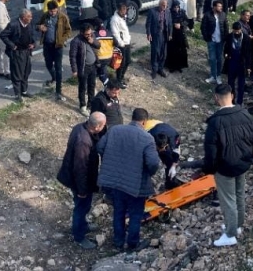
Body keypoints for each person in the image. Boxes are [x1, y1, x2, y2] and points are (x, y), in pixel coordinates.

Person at [201, 84, 253, 247]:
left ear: (216, 98)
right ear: (232, 96)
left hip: (224, 167)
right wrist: (250, 155)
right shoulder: (245, 114)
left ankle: (230, 234)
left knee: (228, 200)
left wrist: (210, 169)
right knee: (239, 195)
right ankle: (238, 225)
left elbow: (211, 151)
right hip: (242, 163)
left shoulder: (215, 122)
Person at [97, 108, 161, 252]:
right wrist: (149, 173)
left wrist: (111, 163)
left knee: (118, 212)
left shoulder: (115, 130)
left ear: (132, 118)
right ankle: (133, 244)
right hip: (135, 185)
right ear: (144, 122)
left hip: (114, 182)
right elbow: (153, 163)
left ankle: (118, 242)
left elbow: (100, 147)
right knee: (135, 215)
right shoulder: (147, 138)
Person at [57, 112, 107, 250]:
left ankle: (83, 226)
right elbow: (80, 168)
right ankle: (79, 236)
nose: (104, 128)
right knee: (81, 207)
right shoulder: (84, 142)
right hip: (79, 181)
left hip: (77, 177)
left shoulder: (80, 127)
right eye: (103, 125)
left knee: (83, 207)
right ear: (97, 127)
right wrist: (82, 190)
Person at [37, 0, 72, 101]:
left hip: (58, 46)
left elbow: (68, 30)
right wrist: (40, 27)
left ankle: (58, 91)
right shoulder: (45, 16)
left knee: (58, 67)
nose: (53, 13)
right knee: (48, 64)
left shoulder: (62, 17)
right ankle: (54, 78)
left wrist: (62, 39)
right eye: (51, 11)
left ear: (57, 9)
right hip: (47, 45)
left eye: (54, 11)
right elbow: (37, 25)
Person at [0, 9, 36, 102]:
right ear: (23, 17)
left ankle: (24, 91)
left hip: (27, 51)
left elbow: (32, 35)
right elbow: (3, 35)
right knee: (17, 73)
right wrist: (12, 46)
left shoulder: (29, 24)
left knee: (26, 72)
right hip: (17, 53)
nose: (31, 18)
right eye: (29, 17)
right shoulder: (13, 25)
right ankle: (17, 94)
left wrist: (33, 44)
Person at [69, 23, 101, 116]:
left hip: (93, 66)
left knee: (92, 86)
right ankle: (82, 106)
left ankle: (90, 105)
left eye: (90, 33)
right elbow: (72, 56)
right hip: (83, 68)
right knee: (83, 87)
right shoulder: (76, 41)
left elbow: (98, 45)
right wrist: (74, 70)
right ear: (81, 32)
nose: (89, 35)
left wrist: (92, 41)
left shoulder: (92, 36)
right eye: (87, 34)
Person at [144, 119, 182, 191]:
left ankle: (170, 183)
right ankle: (145, 187)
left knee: (169, 159)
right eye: (159, 148)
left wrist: (173, 166)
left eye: (164, 147)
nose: (162, 150)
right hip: (149, 128)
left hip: (162, 127)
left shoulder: (174, 137)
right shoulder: (146, 137)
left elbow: (176, 150)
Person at [223, 21, 252, 105]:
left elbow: (249, 53)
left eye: (238, 31)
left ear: (241, 30)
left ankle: (240, 101)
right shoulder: (229, 37)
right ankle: (231, 100)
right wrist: (226, 54)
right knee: (230, 83)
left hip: (241, 63)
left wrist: (248, 66)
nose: (236, 33)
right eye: (235, 31)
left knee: (241, 84)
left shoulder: (246, 38)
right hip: (232, 62)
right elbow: (226, 48)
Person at [201, 0, 229, 85]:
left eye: (221, 6)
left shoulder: (223, 15)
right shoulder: (207, 15)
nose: (221, 8)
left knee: (219, 59)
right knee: (212, 59)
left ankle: (218, 76)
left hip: (220, 41)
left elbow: (226, 27)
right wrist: (206, 37)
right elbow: (203, 27)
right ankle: (213, 76)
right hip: (211, 40)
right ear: (214, 7)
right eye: (219, 6)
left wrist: (226, 38)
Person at [145, 0, 173, 80]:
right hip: (156, 34)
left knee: (163, 53)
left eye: (165, 5)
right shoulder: (152, 11)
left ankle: (160, 68)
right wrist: (149, 34)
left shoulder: (167, 12)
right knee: (155, 52)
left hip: (164, 34)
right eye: (163, 5)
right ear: (159, 4)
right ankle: (154, 69)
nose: (164, 7)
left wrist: (170, 34)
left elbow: (170, 23)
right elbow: (148, 24)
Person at [110, 3, 132, 89]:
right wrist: (121, 43)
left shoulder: (123, 17)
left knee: (128, 61)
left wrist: (128, 39)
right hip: (121, 45)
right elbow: (115, 33)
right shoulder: (114, 19)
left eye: (125, 9)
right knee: (121, 63)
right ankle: (118, 80)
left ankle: (121, 77)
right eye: (123, 10)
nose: (125, 11)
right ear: (119, 10)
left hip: (127, 42)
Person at [165, 1, 189, 73]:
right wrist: (174, 24)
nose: (176, 9)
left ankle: (179, 66)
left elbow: (187, 21)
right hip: (172, 33)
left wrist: (180, 24)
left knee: (180, 49)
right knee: (172, 50)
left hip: (180, 33)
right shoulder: (169, 13)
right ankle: (171, 66)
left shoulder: (182, 12)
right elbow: (167, 22)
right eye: (175, 7)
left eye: (177, 7)